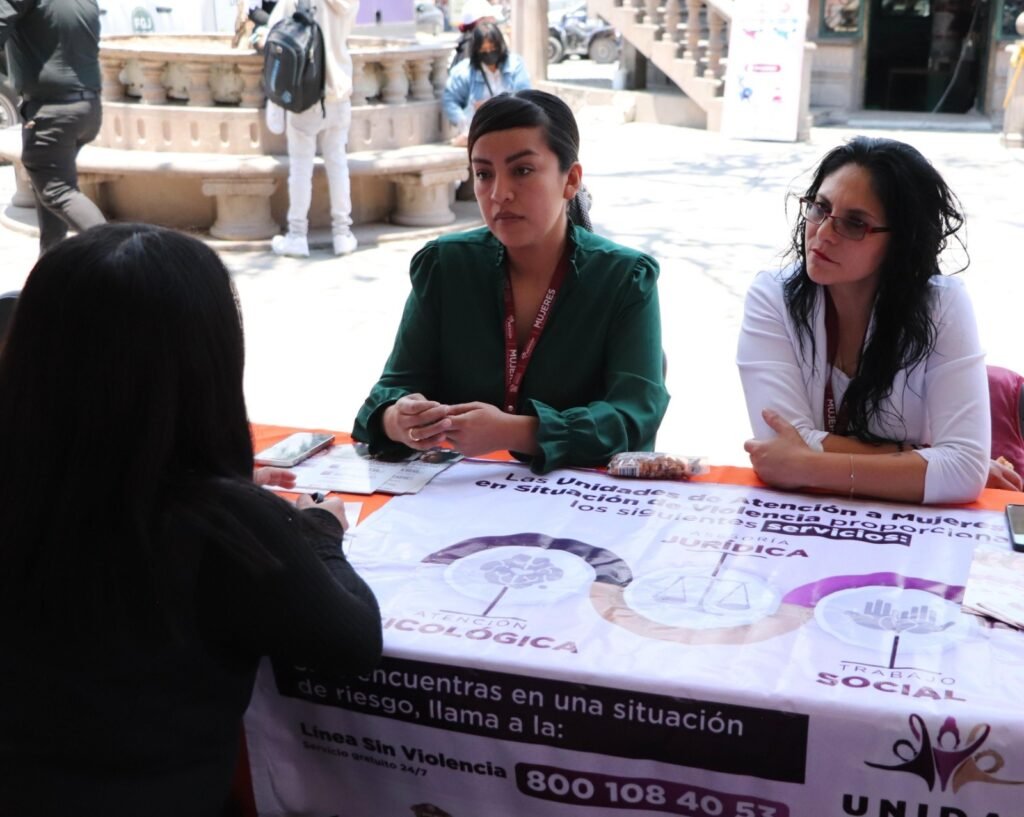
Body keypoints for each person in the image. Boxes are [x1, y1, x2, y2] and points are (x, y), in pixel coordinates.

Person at [0, 223, 382, 816]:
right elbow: (352, 642)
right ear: (205, 361)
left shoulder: (34, 487)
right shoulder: (221, 527)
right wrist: (317, 531)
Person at [353, 90, 669, 474]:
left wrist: (517, 432)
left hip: (579, 501)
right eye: (483, 174)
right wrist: (397, 418)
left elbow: (633, 417)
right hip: (453, 498)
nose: (499, 194)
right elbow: (390, 391)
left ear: (570, 180)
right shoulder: (445, 266)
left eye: (522, 170)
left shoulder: (623, 278)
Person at [737, 136, 1018, 505]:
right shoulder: (774, 295)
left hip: (909, 529)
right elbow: (778, 443)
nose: (823, 234)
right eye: (820, 208)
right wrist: (922, 456)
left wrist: (808, 467)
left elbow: (963, 470)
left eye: (855, 223)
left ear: (901, 241)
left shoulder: (942, 304)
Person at [0, 0, 107, 256]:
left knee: (57, 191)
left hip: (53, 111)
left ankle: (128, 258)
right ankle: (50, 263)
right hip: (87, 107)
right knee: (47, 188)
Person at [265, 0, 359, 258]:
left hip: (305, 93)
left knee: (300, 168)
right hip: (339, 91)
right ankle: (342, 234)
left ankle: (297, 236)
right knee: (338, 165)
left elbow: (274, 28)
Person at [444, 21, 530, 147]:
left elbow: (525, 98)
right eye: (483, 50)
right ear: (476, 50)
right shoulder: (464, 71)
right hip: (478, 130)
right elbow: (450, 100)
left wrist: (492, 106)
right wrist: (463, 123)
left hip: (511, 126)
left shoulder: (515, 65)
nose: (489, 53)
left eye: (493, 48)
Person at [449, 0, 502, 68]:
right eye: (489, 18)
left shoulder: (467, 41)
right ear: (479, 21)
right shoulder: (470, 45)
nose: (493, 21)